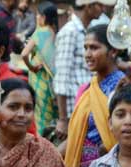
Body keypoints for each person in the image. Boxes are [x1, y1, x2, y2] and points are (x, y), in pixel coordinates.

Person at [61, 24, 125, 167]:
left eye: (94, 48)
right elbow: (76, 135)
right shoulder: (88, 88)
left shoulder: (121, 87)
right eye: (85, 48)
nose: (87, 54)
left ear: (113, 51)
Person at [52, 0, 104, 140]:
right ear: (89, 7)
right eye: (100, 5)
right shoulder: (70, 32)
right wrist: (63, 119)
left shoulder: (89, 30)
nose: (103, 8)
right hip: (73, 108)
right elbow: (62, 76)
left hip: (89, 105)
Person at [22, 2, 60, 136]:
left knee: (41, 114)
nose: (37, 17)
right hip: (52, 82)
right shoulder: (55, 32)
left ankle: (41, 143)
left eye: (39, 14)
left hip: (39, 79)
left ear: (44, 17)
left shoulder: (40, 32)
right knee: (51, 114)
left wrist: (31, 67)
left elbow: (24, 54)